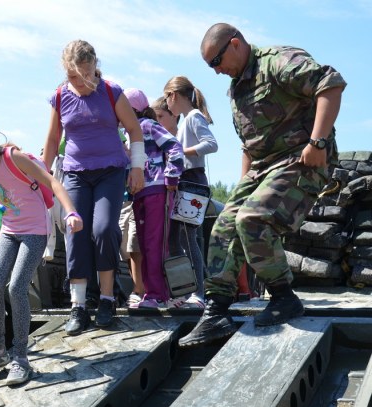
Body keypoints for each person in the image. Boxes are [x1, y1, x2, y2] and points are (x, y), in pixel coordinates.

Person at [179, 23, 346, 347]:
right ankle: (216, 311)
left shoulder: (277, 61)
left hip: (301, 158)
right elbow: (249, 146)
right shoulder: (237, 89)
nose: (216, 71)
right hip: (262, 168)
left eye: (217, 61)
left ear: (235, 44)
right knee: (225, 225)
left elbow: (330, 84)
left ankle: (284, 297)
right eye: (210, 66)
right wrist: (242, 188)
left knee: (252, 219)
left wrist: (318, 142)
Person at [0, 117, 82, 385]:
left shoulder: (14, 159)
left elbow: (53, 182)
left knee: (16, 287)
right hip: (9, 231)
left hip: (35, 230)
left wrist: (71, 212)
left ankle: (21, 357)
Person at [42, 39, 145, 335]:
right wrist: (42, 176)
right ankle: (78, 306)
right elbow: (52, 140)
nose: (79, 81)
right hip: (75, 174)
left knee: (103, 229)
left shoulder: (111, 92)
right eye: (72, 75)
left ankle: (107, 299)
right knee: (75, 228)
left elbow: (134, 130)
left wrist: (137, 168)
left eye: (84, 75)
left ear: (94, 67)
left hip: (110, 172)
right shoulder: (60, 96)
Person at [123, 88, 185, 308]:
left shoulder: (148, 126)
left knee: (154, 243)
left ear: (131, 109)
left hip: (157, 190)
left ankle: (158, 294)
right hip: (138, 193)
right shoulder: (126, 135)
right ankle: (154, 293)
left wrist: (171, 176)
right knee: (144, 245)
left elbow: (174, 146)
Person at [163, 75, 218, 308]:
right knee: (175, 239)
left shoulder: (194, 116)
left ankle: (199, 293)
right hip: (185, 182)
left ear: (174, 95)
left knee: (188, 238)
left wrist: (182, 151)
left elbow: (211, 144)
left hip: (193, 181)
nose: (166, 104)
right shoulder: (186, 120)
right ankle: (186, 291)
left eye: (167, 98)